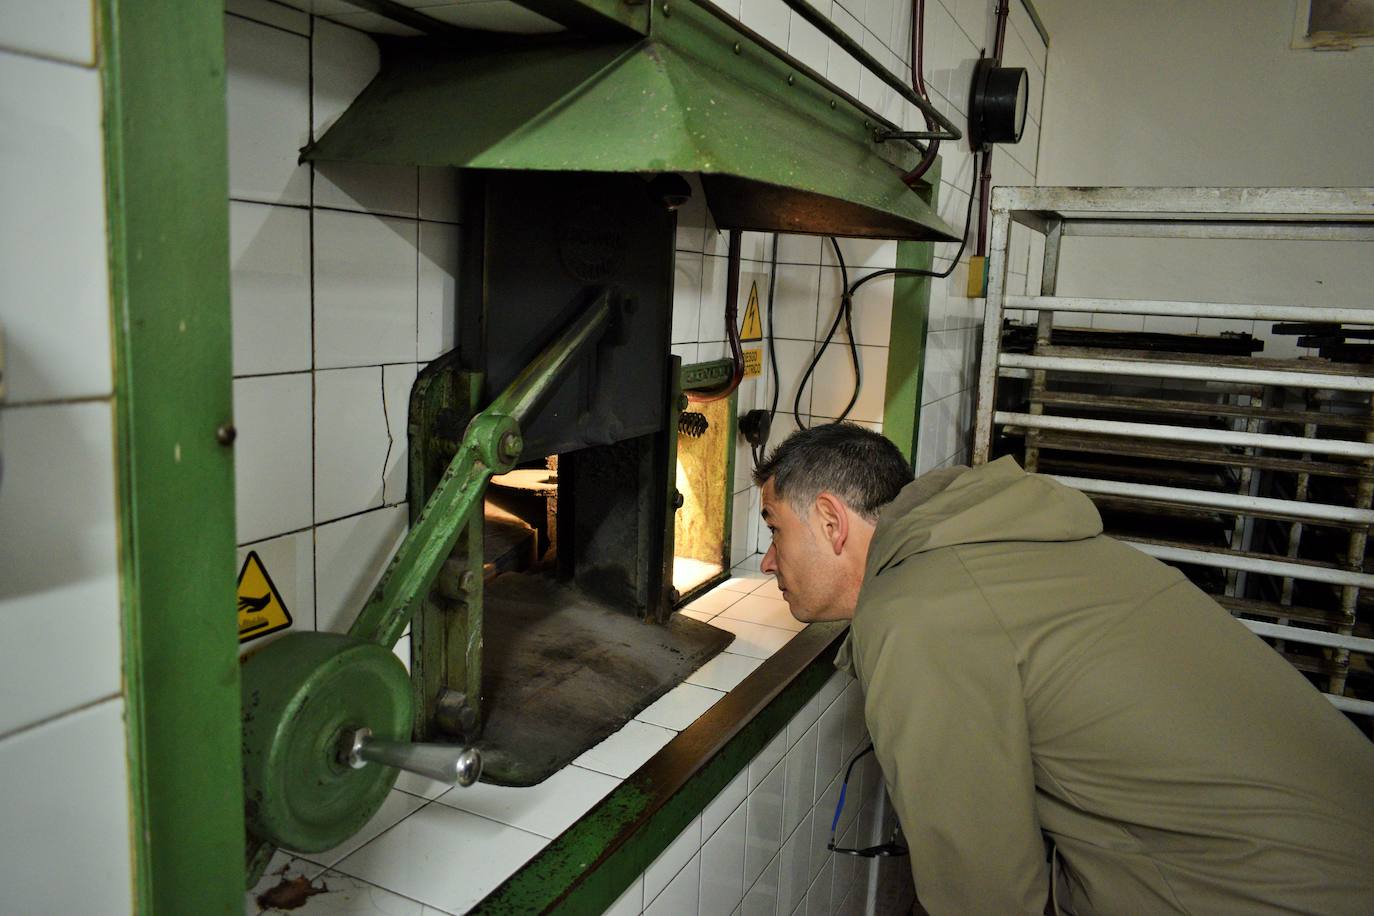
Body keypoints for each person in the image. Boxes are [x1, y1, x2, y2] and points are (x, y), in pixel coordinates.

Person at [754, 422, 1374, 915]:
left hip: (1274, 892)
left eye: (776, 531)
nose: (767, 562)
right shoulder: (1001, 546)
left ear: (832, 522)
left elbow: (986, 893)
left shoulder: (918, 615)